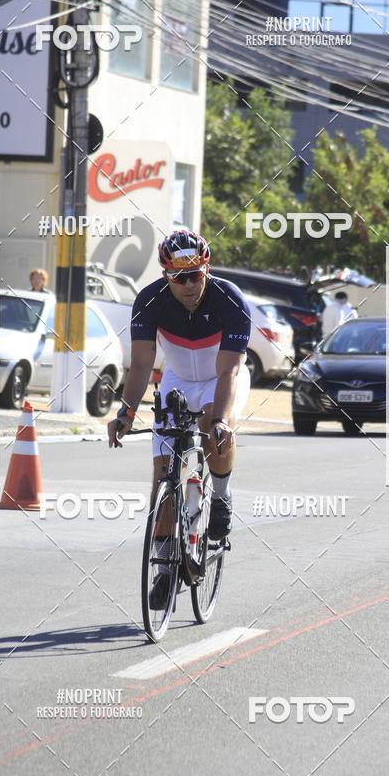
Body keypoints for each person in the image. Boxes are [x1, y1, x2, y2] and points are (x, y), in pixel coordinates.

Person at [107, 230, 251, 608]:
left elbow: (230, 372)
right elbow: (140, 365)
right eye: (179, 278)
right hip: (177, 380)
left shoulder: (231, 301)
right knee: (162, 475)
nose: (189, 285)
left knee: (211, 426)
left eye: (196, 275)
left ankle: (220, 498)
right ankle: (166, 569)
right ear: (166, 275)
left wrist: (220, 420)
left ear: (207, 269)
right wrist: (126, 412)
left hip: (221, 378)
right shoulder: (149, 300)